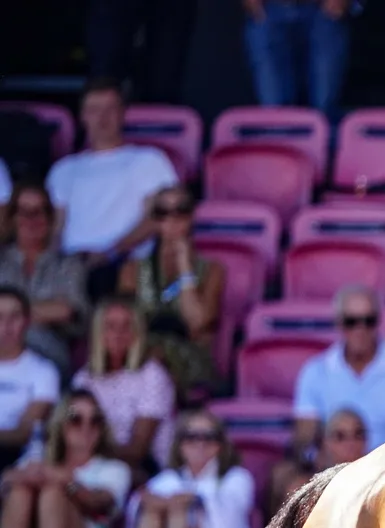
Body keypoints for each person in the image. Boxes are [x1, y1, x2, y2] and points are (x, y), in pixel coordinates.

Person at [45, 79, 179, 298]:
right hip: (70, 266)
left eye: (110, 109)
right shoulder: (63, 169)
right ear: (82, 116)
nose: (103, 118)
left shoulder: (149, 160)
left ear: (123, 114)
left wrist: (111, 251)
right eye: (94, 110)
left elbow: (157, 218)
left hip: (124, 264)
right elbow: (56, 229)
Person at [0, 390, 132, 528]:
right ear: (61, 423)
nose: (86, 427)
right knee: (20, 491)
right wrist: (25, 476)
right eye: (75, 419)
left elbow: (100, 501)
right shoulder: (37, 461)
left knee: (53, 493)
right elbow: (6, 482)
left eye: (95, 420)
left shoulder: (114, 469)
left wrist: (68, 483)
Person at [113, 410, 255, 528]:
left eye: (209, 437)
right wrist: (156, 502)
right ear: (180, 444)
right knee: (152, 508)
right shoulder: (166, 479)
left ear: (221, 444)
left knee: (179, 509)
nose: (200, 444)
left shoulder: (236, 477)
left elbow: (230, 527)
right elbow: (135, 517)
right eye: (191, 437)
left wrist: (192, 500)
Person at [292, 285, 385, 453]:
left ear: (378, 321)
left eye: (369, 321)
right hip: (333, 464)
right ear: (339, 323)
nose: (361, 330)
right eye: (351, 322)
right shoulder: (314, 371)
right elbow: (305, 440)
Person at [116, 185, 223, 397]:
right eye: (162, 213)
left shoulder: (212, 271)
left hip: (189, 360)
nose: (172, 219)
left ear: (191, 216)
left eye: (180, 211)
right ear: (154, 220)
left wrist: (184, 268)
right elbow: (126, 325)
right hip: (142, 356)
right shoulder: (133, 271)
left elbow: (197, 322)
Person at [72, 297, 176, 479]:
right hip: (95, 465)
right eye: (110, 326)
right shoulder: (83, 379)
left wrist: (87, 456)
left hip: (146, 470)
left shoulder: (152, 374)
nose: (118, 334)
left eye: (127, 326)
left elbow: (138, 449)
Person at [0, 182, 87, 375]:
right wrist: (44, 311)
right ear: (12, 218)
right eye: (23, 212)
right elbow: (56, 309)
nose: (31, 219)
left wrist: (8, 317)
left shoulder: (67, 264)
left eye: (38, 212)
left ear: (49, 217)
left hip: (49, 354)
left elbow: (68, 310)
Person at [0, 287, 61, 470]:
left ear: (27, 321)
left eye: (15, 316)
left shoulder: (44, 371)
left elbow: (24, 432)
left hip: (18, 463)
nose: (6, 325)